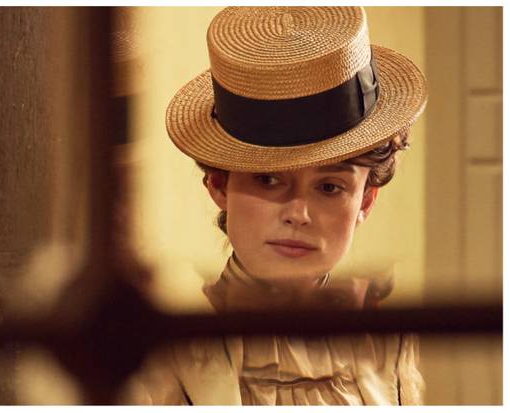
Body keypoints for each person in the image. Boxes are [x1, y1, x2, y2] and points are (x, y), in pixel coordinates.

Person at [121, 6, 427, 405]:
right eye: (268, 180)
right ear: (218, 184)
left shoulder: (390, 342)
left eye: (330, 187)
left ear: (366, 199)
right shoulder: (164, 349)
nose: (298, 213)